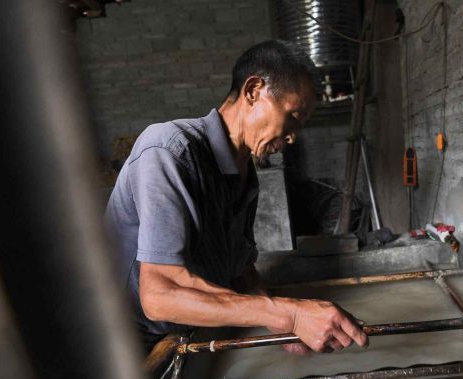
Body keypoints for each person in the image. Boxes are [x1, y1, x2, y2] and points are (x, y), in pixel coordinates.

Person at [104, 40, 368, 355]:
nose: (293, 135)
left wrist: (283, 330)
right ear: (253, 90)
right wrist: (291, 314)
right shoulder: (169, 152)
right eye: (293, 117)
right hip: (124, 346)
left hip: (183, 335)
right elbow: (159, 295)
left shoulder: (243, 174)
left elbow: (239, 269)